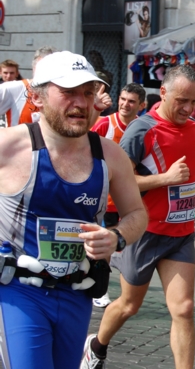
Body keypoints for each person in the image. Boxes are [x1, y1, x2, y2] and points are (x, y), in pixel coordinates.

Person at [0, 51, 148, 369]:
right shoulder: (8, 147)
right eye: (67, 93)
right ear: (37, 98)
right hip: (18, 293)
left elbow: (137, 214)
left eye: (87, 92)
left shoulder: (110, 155)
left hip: (77, 294)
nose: (80, 103)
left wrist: (116, 237)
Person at [81, 65, 195, 369]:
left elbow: (180, 171)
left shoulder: (194, 127)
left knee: (184, 309)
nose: (188, 109)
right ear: (165, 93)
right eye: (182, 100)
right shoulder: (143, 128)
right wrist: (165, 179)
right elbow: (119, 182)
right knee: (129, 305)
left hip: (180, 232)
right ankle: (97, 345)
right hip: (144, 231)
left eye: (194, 102)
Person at [90, 82, 146, 308]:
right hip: (106, 198)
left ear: (141, 105)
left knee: (127, 247)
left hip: (131, 198)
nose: (125, 104)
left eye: (131, 101)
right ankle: (99, 288)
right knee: (104, 243)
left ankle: (127, 294)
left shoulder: (142, 128)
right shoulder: (105, 123)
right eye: (123, 99)